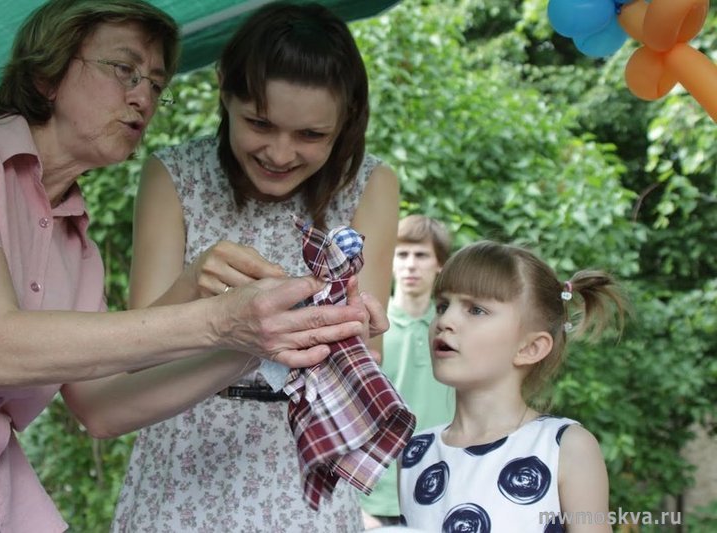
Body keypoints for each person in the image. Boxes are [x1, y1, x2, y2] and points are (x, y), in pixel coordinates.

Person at [0, 1, 384, 531]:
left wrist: (259, 346)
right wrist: (221, 319)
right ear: (47, 72)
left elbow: (101, 409)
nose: (144, 97)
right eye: (125, 71)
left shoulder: (76, 247)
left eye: (156, 85)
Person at [110, 2, 400, 531]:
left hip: (303, 458)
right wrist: (191, 283)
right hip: (181, 456)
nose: (280, 152)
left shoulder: (370, 185)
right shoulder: (174, 175)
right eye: (260, 123)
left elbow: (368, 349)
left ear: (347, 119)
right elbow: (135, 356)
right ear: (224, 90)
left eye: (311, 135)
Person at [399, 241, 627, 532]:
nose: (445, 320)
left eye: (476, 310)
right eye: (443, 305)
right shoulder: (414, 452)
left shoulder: (566, 447)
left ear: (530, 347)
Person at [361, 214, 456, 528]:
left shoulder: (455, 329)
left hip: (445, 492)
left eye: (421, 255)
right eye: (401, 254)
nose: (410, 264)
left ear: (439, 263)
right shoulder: (367, 326)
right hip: (371, 497)